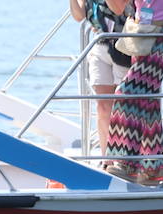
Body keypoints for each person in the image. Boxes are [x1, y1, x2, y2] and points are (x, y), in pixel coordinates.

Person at [104, 0, 163, 186]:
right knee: (148, 101)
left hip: (162, 36)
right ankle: (153, 169)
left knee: (127, 93)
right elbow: (119, 7)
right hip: (140, 35)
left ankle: (127, 162)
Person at [68, 0, 131, 157]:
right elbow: (79, 16)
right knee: (102, 106)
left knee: (123, 105)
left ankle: (125, 157)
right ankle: (107, 158)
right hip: (99, 44)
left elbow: (118, 9)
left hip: (123, 45)